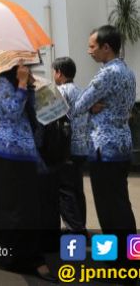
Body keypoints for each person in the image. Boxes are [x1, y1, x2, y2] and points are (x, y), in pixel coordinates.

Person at [72, 25, 137, 267]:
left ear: (106, 47)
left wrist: (90, 105)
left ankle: (111, 263)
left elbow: (78, 104)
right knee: (122, 207)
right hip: (121, 144)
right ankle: (132, 258)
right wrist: (93, 105)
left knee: (108, 212)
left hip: (103, 147)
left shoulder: (106, 74)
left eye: (92, 46)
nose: (89, 51)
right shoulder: (127, 72)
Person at [0, 61, 55, 282]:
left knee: (29, 209)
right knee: (13, 209)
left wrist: (31, 88)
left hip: (27, 151)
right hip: (9, 151)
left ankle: (28, 256)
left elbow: (37, 114)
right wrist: (21, 84)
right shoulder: (1, 84)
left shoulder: (24, 84)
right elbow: (10, 113)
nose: (24, 66)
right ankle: (13, 258)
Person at [52, 57, 91, 234]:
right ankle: (80, 224)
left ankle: (74, 229)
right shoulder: (80, 90)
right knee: (77, 188)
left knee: (65, 191)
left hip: (66, 148)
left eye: (54, 71)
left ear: (59, 72)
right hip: (82, 147)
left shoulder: (60, 91)